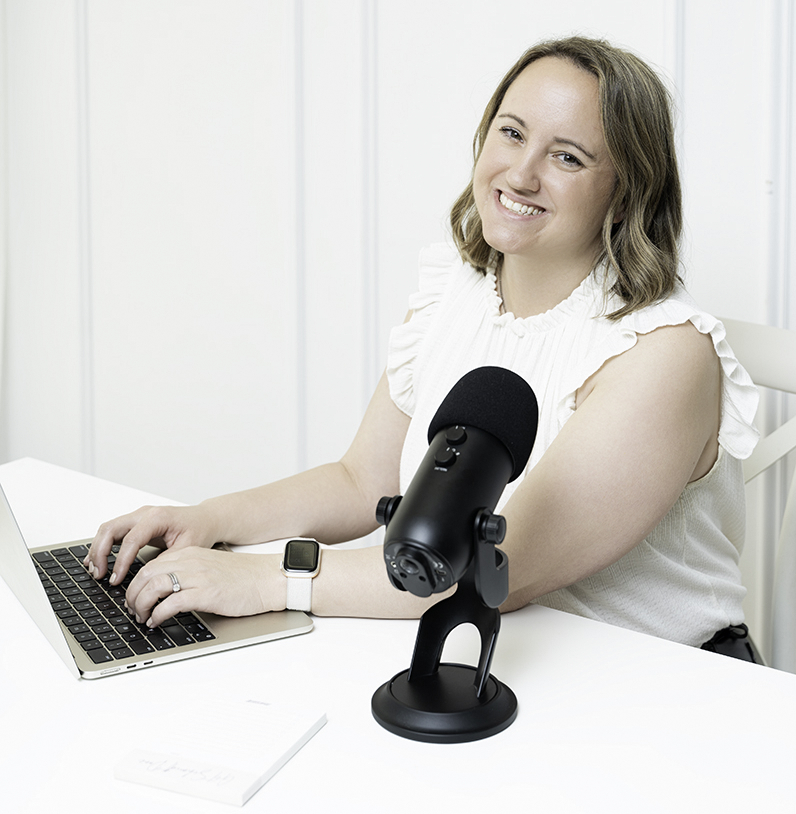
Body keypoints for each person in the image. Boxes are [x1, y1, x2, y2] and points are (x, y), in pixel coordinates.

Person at [85, 36, 760, 657]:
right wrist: (205, 522)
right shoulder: (454, 295)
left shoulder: (663, 352)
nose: (521, 174)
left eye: (566, 157)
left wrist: (265, 580)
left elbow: (496, 566)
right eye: (511, 132)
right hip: (491, 656)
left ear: (627, 190)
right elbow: (364, 482)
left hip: (660, 685)